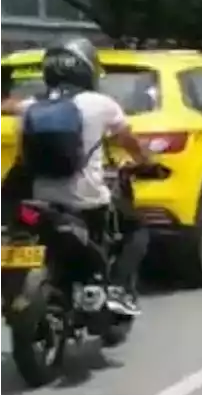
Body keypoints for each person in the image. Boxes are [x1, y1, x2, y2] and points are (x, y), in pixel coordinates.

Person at [0, 38, 154, 316]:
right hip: (85, 203)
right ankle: (117, 287)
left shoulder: (31, 106)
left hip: (38, 203)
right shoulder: (102, 105)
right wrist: (146, 161)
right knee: (139, 229)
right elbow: (129, 142)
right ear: (86, 69)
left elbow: (23, 155)